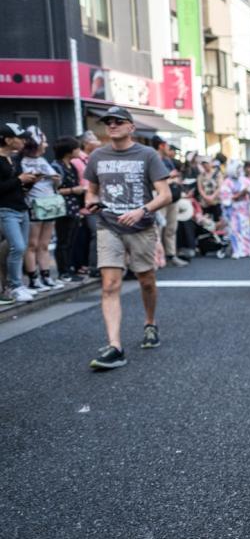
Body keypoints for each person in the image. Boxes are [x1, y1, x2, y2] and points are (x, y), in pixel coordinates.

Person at [83, 106, 172, 370]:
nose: (112, 125)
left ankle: (150, 322)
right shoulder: (97, 156)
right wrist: (92, 202)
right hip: (108, 224)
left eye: (118, 121)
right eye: (108, 121)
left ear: (131, 127)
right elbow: (91, 191)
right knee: (110, 285)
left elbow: (165, 194)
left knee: (146, 280)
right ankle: (115, 346)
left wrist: (141, 210)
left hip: (141, 226)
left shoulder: (147, 155)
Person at [19, 127, 64, 291]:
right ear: (35, 143)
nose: (46, 144)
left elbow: (57, 184)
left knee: (44, 244)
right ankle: (33, 279)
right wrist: (35, 180)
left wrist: (56, 179)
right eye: (43, 141)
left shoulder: (43, 161)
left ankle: (47, 276)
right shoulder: (22, 162)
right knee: (32, 244)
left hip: (50, 205)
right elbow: (23, 186)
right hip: (34, 205)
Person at [0, 123, 37, 302]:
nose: (23, 141)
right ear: (7, 140)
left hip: (21, 208)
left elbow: (17, 186)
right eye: (19, 137)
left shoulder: (13, 159)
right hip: (5, 210)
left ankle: (11, 285)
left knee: (17, 248)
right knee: (19, 247)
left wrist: (29, 182)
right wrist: (18, 180)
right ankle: (15, 285)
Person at [51, 136, 86, 282]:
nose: (79, 151)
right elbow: (53, 190)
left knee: (71, 240)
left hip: (73, 207)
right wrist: (73, 190)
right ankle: (63, 272)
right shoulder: (56, 166)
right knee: (63, 240)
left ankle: (69, 269)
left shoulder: (71, 165)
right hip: (62, 207)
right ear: (68, 152)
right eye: (77, 148)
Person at [152, 135, 187, 267]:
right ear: (161, 145)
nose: (169, 148)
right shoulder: (153, 159)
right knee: (159, 227)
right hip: (160, 196)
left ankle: (171, 254)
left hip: (173, 196)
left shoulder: (168, 159)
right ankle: (157, 258)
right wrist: (171, 178)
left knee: (171, 227)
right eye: (167, 146)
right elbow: (154, 179)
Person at [73, 130, 101, 278]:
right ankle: (93, 266)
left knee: (92, 236)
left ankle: (93, 265)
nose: (98, 142)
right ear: (86, 143)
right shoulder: (77, 160)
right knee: (96, 234)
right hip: (85, 206)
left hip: (96, 203)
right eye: (94, 139)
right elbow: (81, 184)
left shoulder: (93, 159)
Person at [218, 159, 250, 259]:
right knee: (235, 230)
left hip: (246, 209)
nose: (239, 170)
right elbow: (226, 198)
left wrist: (248, 192)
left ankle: (249, 250)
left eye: (240, 168)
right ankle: (237, 251)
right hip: (234, 211)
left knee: (248, 230)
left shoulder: (245, 180)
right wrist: (240, 194)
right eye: (237, 168)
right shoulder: (227, 182)